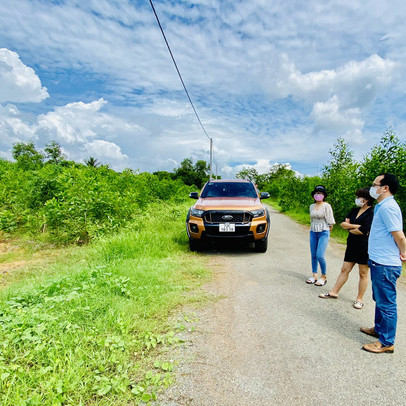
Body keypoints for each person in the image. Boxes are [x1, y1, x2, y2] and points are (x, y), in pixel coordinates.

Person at [360, 173, 406, 354]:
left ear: (385, 188)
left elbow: (399, 235)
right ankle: (379, 329)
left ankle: (386, 342)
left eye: (375, 184)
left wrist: (403, 251)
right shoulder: (382, 206)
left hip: (386, 264)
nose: (372, 187)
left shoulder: (388, 208)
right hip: (378, 261)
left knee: (386, 303)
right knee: (379, 299)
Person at [319, 188, 374, 308]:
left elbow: (364, 231)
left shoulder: (372, 212)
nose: (357, 199)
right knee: (344, 269)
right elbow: (343, 224)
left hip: (365, 246)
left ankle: (359, 299)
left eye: (359, 197)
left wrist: (351, 227)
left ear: (366, 199)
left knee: (363, 273)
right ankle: (334, 292)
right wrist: (354, 226)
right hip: (352, 244)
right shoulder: (354, 210)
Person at [306, 185, 335, 286]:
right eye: (317, 193)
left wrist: (328, 234)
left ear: (324, 195)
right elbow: (311, 219)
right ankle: (314, 275)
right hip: (313, 231)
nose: (319, 195)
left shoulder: (326, 206)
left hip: (323, 232)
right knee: (313, 255)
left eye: (321, 193)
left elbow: (331, 222)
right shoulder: (311, 206)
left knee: (320, 255)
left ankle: (323, 276)